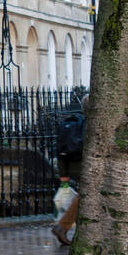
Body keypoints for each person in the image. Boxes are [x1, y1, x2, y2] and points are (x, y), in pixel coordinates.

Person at [52, 100, 86, 246]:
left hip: (72, 167)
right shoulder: (90, 124)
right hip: (84, 166)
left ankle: (66, 227)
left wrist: (64, 175)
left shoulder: (73, 123)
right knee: (85, 196)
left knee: (85, 196)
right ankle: (62, 226)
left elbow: (61, 151)